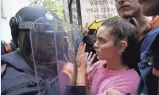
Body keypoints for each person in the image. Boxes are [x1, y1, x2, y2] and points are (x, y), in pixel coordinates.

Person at [1, 5, 85, 95]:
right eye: (42, 36)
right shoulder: (12, 76)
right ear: (21, 38)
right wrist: (67, 73)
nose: (51, 43)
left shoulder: (53, 65)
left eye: (53, 36)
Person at [76, 16, 140, 95]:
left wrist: (80, 70)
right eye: (96, 39)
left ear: (121, 46)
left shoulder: (128, 83)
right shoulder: (98, 65)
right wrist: (85, 77)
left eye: (102, 40)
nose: (95, 45)